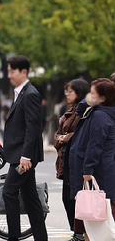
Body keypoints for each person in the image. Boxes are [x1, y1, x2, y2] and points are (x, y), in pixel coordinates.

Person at [3, 55, 47, 241]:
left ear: (23, 72)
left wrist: (26, 156)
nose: (9, 75)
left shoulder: (30, 94)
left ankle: (14, 237)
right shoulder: (22, 92)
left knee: (9, 192)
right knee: (30, 199)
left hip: (23, 155)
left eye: (12, 71)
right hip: (20, 153)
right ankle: (41, 238)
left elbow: (33, 127)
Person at [69, 78, 115, 240]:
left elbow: (95, 145)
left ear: (103, 97)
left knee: (95, 218)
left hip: (98, 171)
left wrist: (88, 169)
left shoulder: (100, 116)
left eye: (93, 93)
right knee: (94, 218)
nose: (89, 96)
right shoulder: (98, 111)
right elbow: (80, 109)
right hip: (98, 169)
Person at [54, 79, 89, 241]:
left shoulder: (84, 111)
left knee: (74, 198)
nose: (67, 94)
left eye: (71, 91)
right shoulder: (71, 110)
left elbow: (81, 135)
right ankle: (77, 232)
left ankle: (79, 234)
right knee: (67, 197)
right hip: (65, 160)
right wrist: (61, 138)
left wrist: (65, 137)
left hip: (76, 161)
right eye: (66, 91)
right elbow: (57, 136)